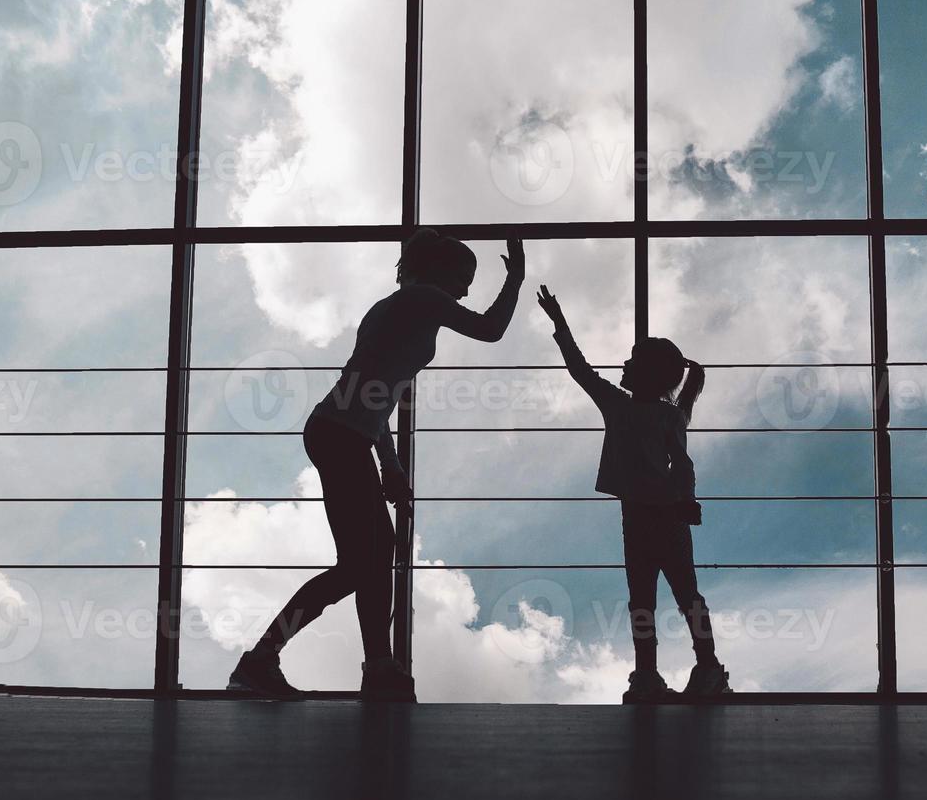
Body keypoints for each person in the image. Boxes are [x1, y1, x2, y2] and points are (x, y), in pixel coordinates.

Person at [230, 231, 527, 701]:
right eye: (464, 278)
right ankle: (294, 661)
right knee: (361, 563)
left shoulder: (389, 308)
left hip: (342, 432)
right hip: (342, 436)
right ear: (439, 270)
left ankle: (361, 664)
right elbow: (490, 329)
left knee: (366, 561)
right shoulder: (424, 299)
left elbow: (375, 399)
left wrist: (388, 465)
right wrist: (515, 282)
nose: (467, 289)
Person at [536, 285, 730, 703]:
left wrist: (686, 499)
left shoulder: (635, 409)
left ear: (649, 373)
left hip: (649, 516)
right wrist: (686, 500)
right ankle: (693, 667)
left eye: (633, 359)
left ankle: (665, 671)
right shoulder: (656, 412)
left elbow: (580, 371)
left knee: (652, 598)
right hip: (657, 515)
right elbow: (683, 465)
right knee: (673, 595)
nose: (624, 363)